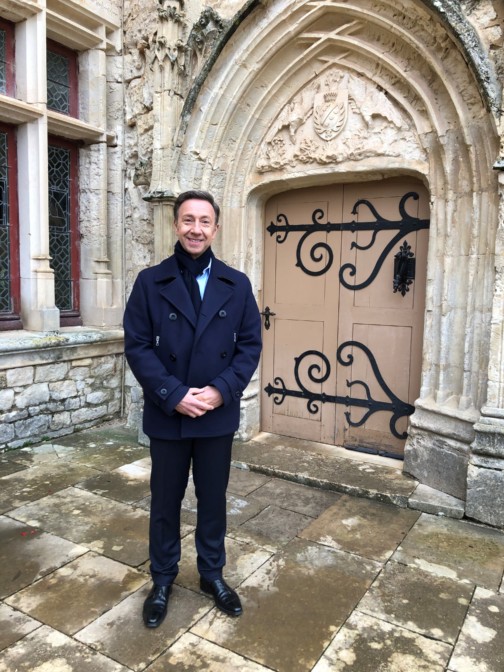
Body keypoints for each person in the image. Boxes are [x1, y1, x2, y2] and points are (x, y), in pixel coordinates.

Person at [123, 190, 262, 628]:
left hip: (216, 415)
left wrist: (221, 391)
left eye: (204, 221)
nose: (195, 229)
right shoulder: (150, 281)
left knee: (212, 500)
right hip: (168, 413)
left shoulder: (236, 284)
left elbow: (249, 347)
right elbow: (138, 346)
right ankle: (162, 579)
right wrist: (172, 393)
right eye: (187, 220)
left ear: (216, 228)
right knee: (165, 501)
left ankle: (211, 574)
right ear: (176, 225)